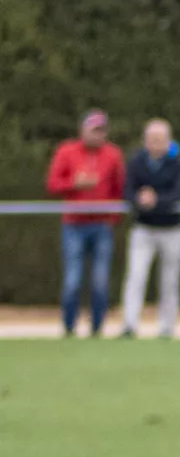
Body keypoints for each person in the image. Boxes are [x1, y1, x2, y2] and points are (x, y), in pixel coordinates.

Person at [45, 109, 125, 337]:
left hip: (101, 226)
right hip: (73, 225)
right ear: (82, 130)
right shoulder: (66, 151)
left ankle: (97, 329)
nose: (97, 135)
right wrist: (74, 183)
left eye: (101, 131)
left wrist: (112, 218)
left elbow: (119, 188)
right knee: (73, 280)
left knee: (100, 281)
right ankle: (69, 327)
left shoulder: (113, 155)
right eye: (93, 130)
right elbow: (52, 184)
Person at [119, 118, 180, 339]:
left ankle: (167, 327)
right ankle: (129, 325)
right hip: (143, 228)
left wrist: (156, 200)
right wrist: (139, 199)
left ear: (168, 141)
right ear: (145, 140)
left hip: (172, 228)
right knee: (136, 276)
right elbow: (127, 190)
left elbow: (179, 192)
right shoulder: (136, 160)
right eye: (152, 139)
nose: (156, 144)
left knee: (169, 280)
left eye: (160, 139)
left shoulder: (178, 160)